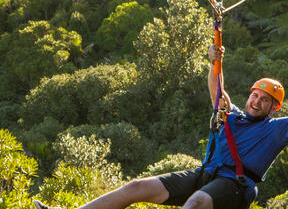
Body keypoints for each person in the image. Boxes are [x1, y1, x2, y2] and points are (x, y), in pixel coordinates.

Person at [34, 44, 286, 209]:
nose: (257, 102)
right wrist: (214, 63)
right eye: (255, 96)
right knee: (137, 187)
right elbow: (217, 90)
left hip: (235, 187)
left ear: (273, 108)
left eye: (265, 100)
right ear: (249, 95)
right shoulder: (230, 116)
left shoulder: (275, 130)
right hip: (205, 175)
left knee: (196, 202)